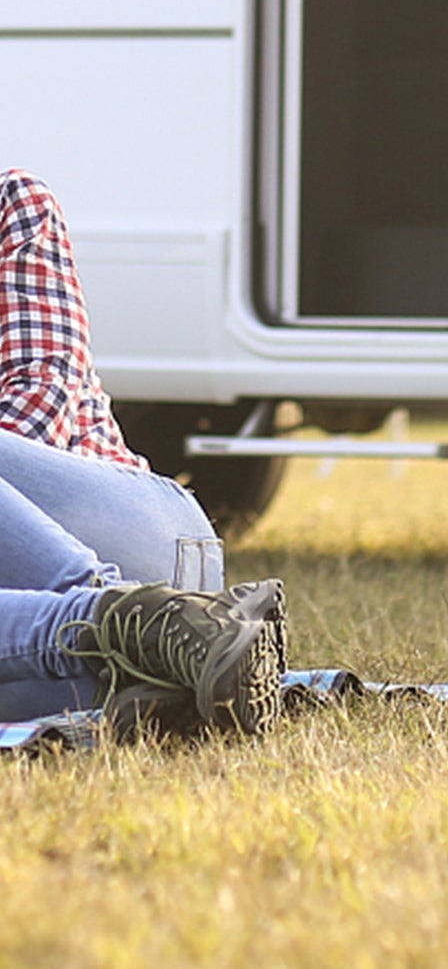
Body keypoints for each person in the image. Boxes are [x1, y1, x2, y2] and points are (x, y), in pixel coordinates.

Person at [0, 168, 284, 735]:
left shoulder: (11, 201)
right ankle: (147, 670)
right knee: (63, 692)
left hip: (129, 529)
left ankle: (135, 617)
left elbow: (41, 393)